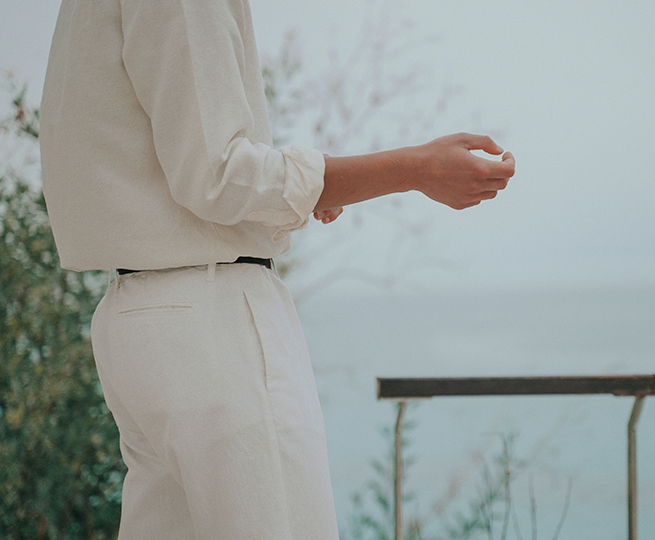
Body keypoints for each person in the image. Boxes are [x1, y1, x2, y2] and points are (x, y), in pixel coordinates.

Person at [39, 0, 515, 538]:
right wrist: (417, 168)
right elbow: (219, 175)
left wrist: (316, 188)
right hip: (211, 321)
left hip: (138, 317)